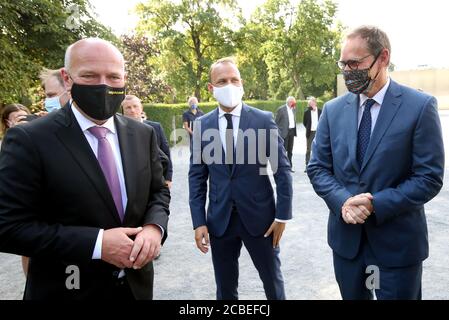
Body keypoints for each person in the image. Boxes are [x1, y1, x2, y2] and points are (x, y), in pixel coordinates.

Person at [0, 38, 170, 300]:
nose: (104, 85)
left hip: (136, 288)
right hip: (66, 289)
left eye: (114, 77)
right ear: (67, 79)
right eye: (90, 76)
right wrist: (98, 244)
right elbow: (8, 227)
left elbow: (158, 193)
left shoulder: (142, 134)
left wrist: (154, 228)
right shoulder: (29, 139)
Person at [307, 26, 444, 300]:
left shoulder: (420, 106)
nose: (347, 71)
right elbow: (317, 167)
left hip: (397, 248)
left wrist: (375, 204)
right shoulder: (333, 110)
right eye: (343, 64)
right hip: (348, 246)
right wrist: (343, 201)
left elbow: (428, 178)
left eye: (355, 63)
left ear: (383, 58)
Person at [189, 57, 292, 300]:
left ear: (242, 83)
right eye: (222, 81)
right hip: (219, 221)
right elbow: (196, 178)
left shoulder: (262, 119)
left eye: (234, 80)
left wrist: (282, 215)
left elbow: (283, 171)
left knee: (273, 282)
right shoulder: (201, 125)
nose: (230, 85)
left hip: (262, 220)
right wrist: (198, 221)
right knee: (225, 289)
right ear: (211, 88)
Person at [122, 94, 173, 188]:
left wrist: (168, 178)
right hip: (130, 182)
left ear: (141, 108)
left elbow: (166, 152)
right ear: (123, 111)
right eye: (128, 107)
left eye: (135, 106)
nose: (132, 110)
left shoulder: (156, 127)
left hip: (156, 179)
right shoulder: (119, 131)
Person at [275, 96, 297, 171]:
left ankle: (289, 166)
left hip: (292, 132)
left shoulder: (293, 109)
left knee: (290, 150)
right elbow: (276, 122)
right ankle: (283, 167)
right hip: (284, 133)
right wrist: (279, 132)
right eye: (293, 102)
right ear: (289, 102)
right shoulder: (281, 109)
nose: (294, 103)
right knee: (283, 151)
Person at [302, 97, 321, 172]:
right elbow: (304, 122)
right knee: (308, 149)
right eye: (309, 104)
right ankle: (307, 165)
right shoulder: (306, 112)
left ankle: (319, 166)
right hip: (310, 133)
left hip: (319, 132)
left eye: (312, 103)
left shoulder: (320, 111)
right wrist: (308, 128)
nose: (310, 105)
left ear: (315, 103)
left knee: (319, 149)